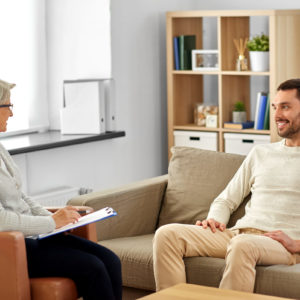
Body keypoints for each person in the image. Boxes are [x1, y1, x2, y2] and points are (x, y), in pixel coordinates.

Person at [153, 78, 300, 293]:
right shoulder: (261, 153)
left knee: (243, 245)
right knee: (167, 235)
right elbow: (226, 199)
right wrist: (215, 221)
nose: (277, 115)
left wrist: (296, 244)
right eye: (274, 107)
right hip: (237, 234)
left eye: (285, 107)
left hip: (279, 244)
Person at [0, 79, 122, 300]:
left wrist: (53, 218)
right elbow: (1, 220)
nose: (11, 113)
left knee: (111, 260)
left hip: (35, 237)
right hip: (13, 247)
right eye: (8, 106)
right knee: (93, 268)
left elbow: (21, 196)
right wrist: (51, 223)